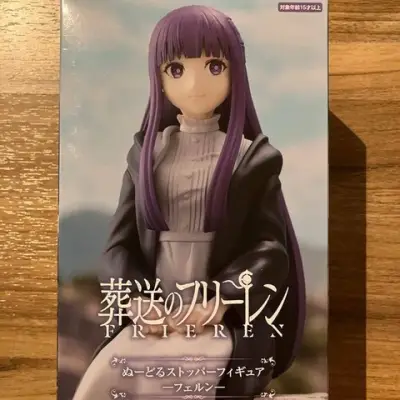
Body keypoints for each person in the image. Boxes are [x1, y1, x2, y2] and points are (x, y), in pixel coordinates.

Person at [72, 5, 306, 400]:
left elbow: (270, 249)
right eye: (177, 69)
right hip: (155, 311)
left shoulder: (252, 159)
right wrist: (136, 299)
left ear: (235, 73)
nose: (196, 83)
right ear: (159, 79)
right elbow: (117, 246)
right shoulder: (147, 156)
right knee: (105, 377)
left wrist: (221, 298)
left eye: (214, 66)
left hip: (219, 317)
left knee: (183, 375)